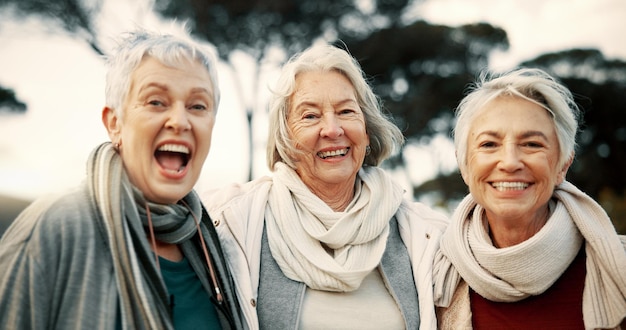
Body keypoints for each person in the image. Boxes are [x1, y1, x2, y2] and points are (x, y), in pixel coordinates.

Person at [0, 29, 244, 329]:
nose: (180, 121)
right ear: (114, 124)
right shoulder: (54, 229)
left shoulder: (214, 247)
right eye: (156, 102)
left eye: (197, 106)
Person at [201, 43, 448, 330]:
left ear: (366, 132)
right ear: (285, 138)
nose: (332, 129)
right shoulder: (231, 222)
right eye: (310, 116)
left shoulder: (426, 234)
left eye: (345, 111)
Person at [433, 68, 626, 329]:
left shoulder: (618, 265)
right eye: (489, 144)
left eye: (532, 144)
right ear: (464, 165)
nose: (510, 162)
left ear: (563, 165)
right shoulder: (431, 278)